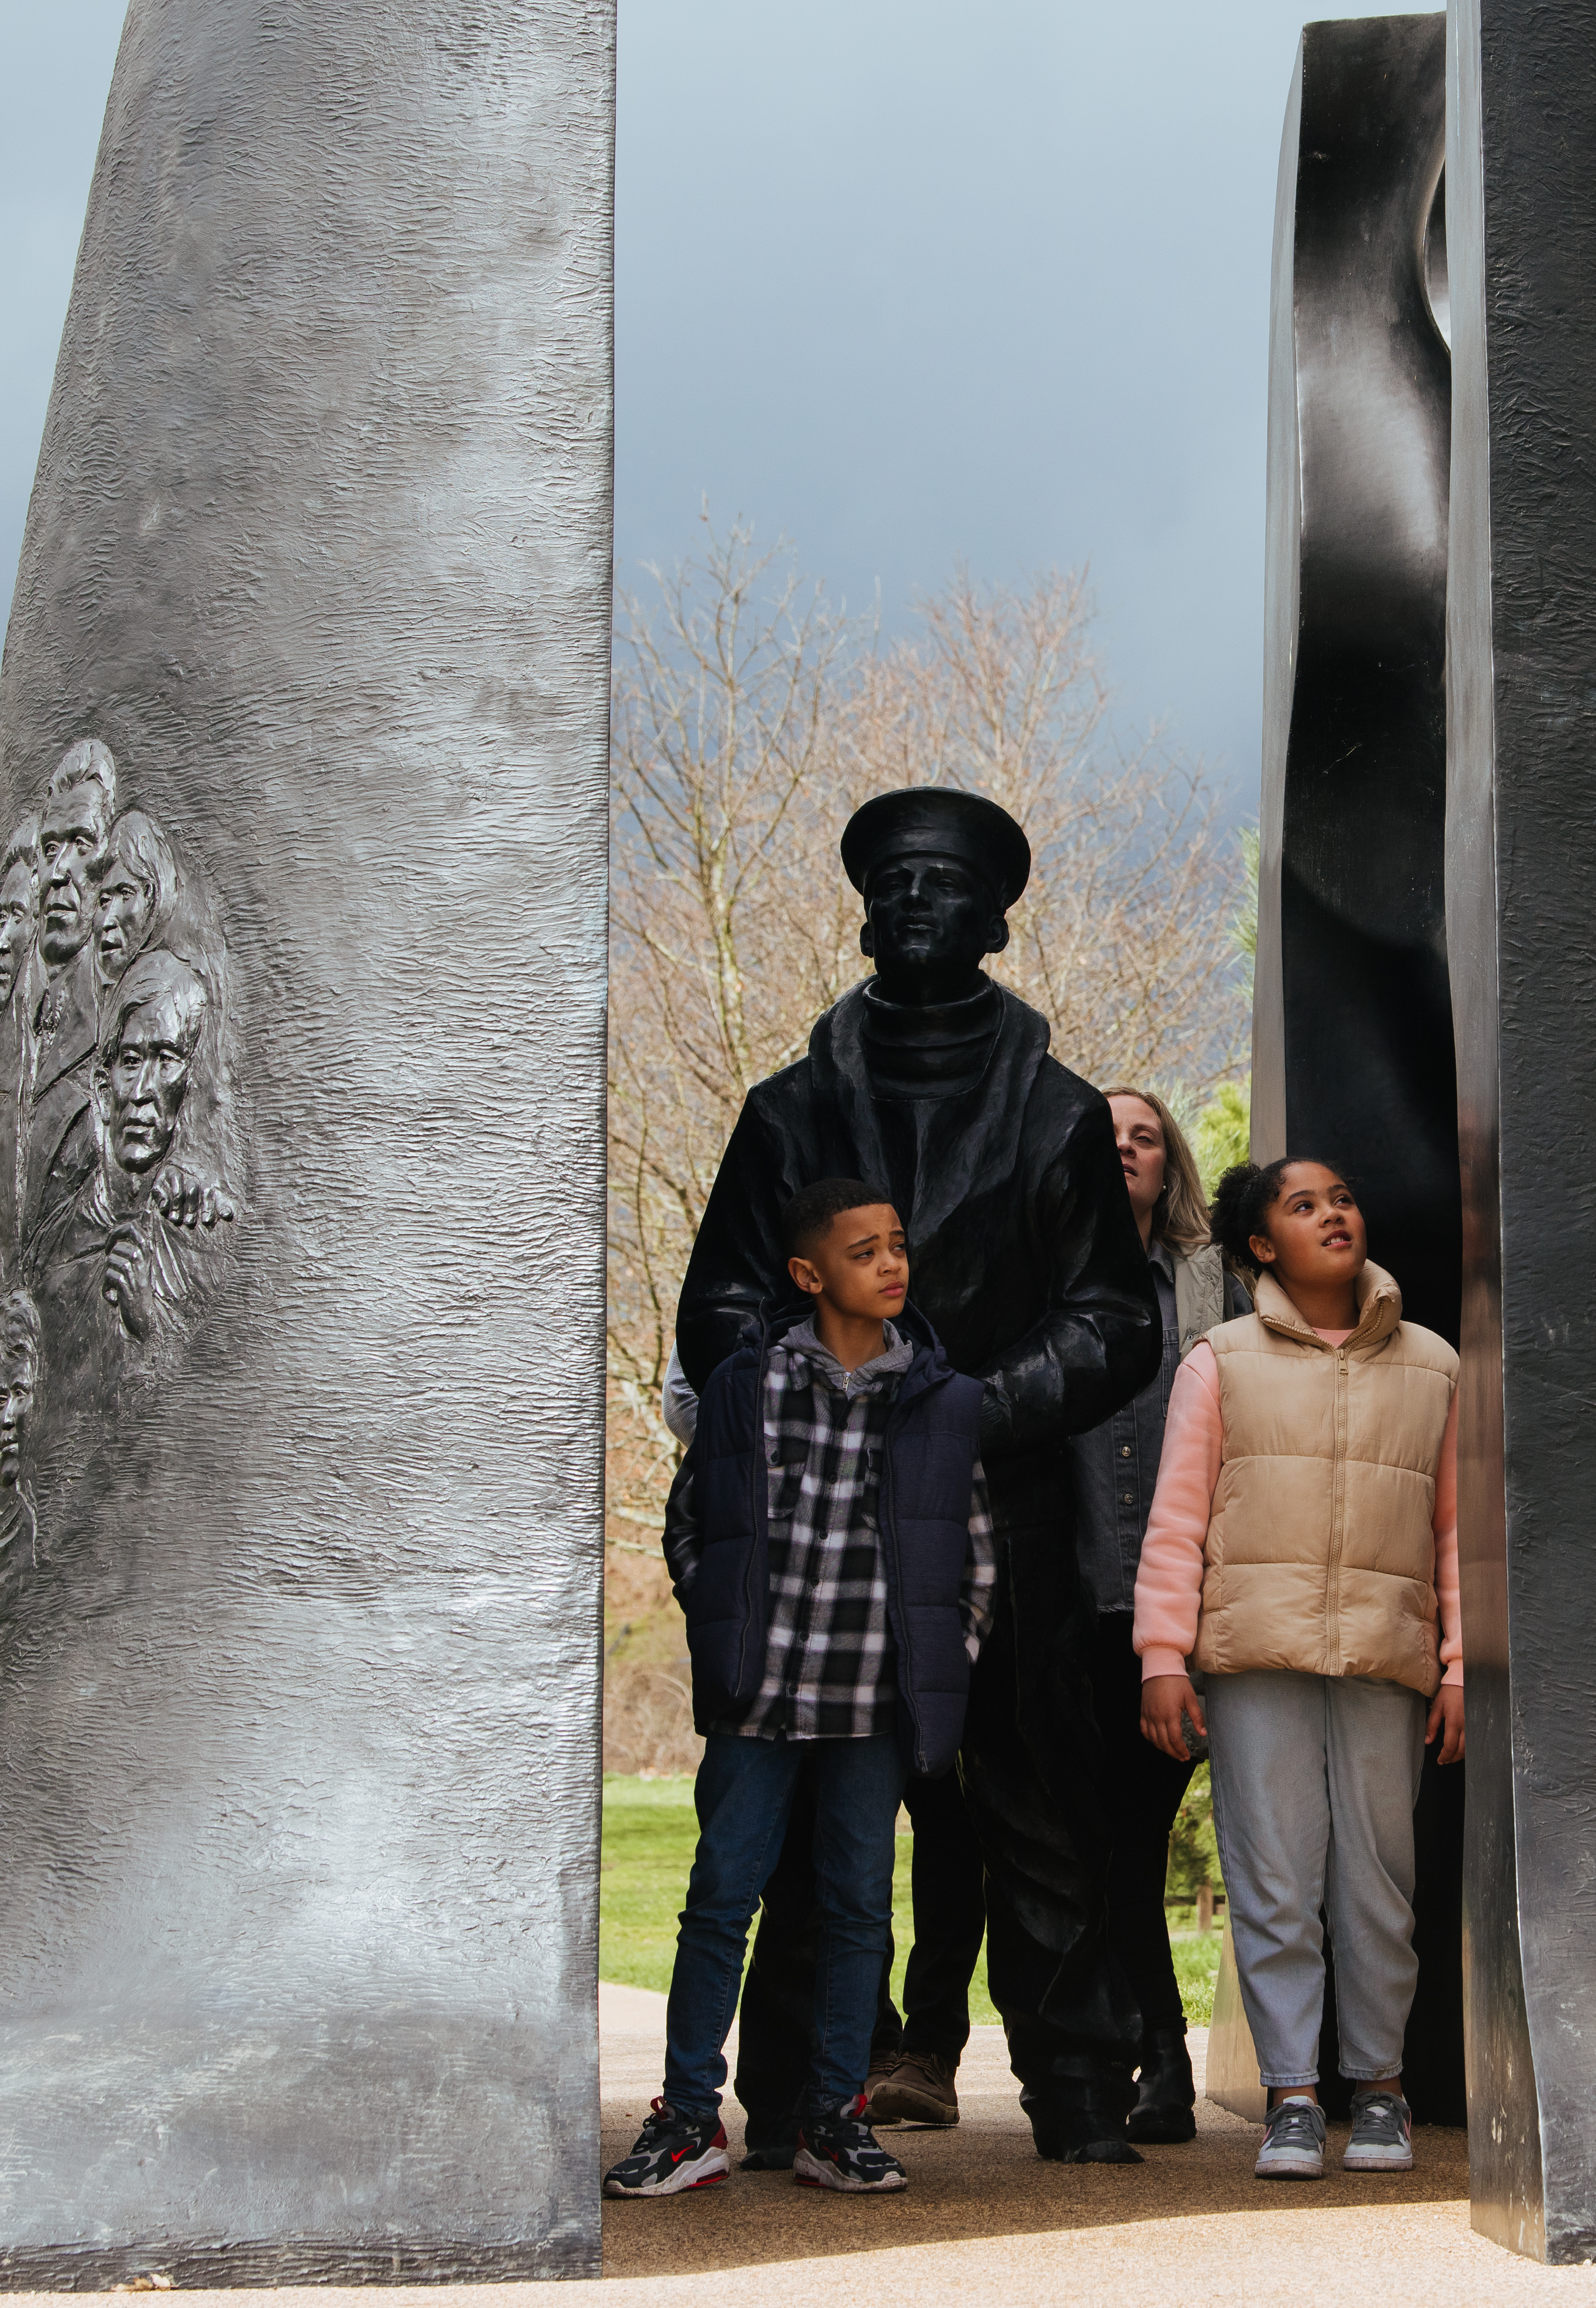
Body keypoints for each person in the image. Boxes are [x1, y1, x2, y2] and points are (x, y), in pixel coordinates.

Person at [669, 785, 1160, 2162]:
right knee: (797, 1815)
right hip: (816, 1518)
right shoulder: (786, 1112)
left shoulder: (1060, 1114)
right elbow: (716, 1308)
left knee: (1037, 1805)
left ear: (998, 917)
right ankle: (785, 2098)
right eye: (888, 882)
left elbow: (1115, 1320)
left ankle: (1074, 2087)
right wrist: (817, 1391)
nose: (911, 901)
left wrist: (968, 1409)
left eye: (940, 882)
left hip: (1000, 1501)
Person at [608, 1178, 996, 2201]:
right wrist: (727, 1631)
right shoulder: (748, 1386)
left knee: (857, 1909)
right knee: (719, 1898)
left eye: (898, 1244)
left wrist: (938, 1654)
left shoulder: (944, 1401)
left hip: (873, 1700)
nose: (891, 1263)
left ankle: (835, 2117)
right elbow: (692, 1525)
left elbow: (976, 1556)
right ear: (808, 1273)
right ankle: (688, 2116)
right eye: (864, 1249)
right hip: (761, 1693)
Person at [1133, 1157, 1463, 2182]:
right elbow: (1177, 1519)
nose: (1334, 1213)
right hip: (1252, 1654)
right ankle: (1291, 2093)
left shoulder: (1434, 1363)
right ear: (1261, 1247)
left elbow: (1455, 1531)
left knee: (1379, 1880)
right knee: (1274, 1875)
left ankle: (1379, 2088)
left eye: (1345, 1198)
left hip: (1383, 1652)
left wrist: (1456, 1665)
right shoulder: (1217, 1360)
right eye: (1303, 1203)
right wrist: (1160, 1655)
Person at [1048, 1085, 1242, 2143]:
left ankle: (1152, 2049)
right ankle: (1137, 2054)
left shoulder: (1218, 1285)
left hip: (1184, 1610)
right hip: (1071, 1600)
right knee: (1091, 1850)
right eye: (1105, 1136)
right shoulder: (1044, 1278)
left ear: (1171, 1166)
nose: (1125, 1149)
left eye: (1146, 1137)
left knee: (1132, 1839)